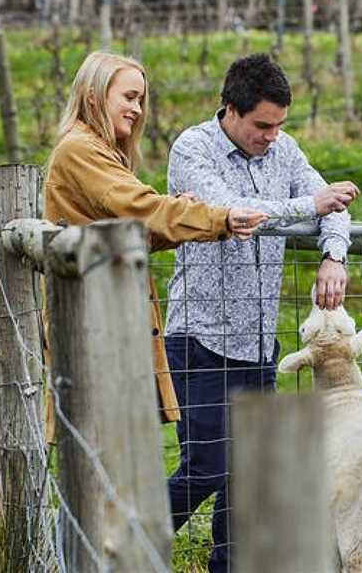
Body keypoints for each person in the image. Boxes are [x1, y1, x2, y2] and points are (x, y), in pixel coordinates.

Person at [164, 53, 360, 572]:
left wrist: (332, 257)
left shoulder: (285, 150)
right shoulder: (193, 149)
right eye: (262, 125)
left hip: (256, 341)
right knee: (207, 466)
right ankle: (118, 542)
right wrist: (308, 206)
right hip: (199, 336)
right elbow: (234, 213)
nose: (272, 135)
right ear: (230, 110)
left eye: (279, 125)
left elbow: (334, 206)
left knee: (249, 476)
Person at [43, 51, 268, 442]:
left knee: (112, 453)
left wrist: (192, 219)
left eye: (140, 99)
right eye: (128, 97)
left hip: (104, 317)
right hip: (93, 319)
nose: (137, 108)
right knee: (104, 454)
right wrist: (218, 217)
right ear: (94, 95)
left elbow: (132, 230)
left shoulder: (98, 151)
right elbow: (141, 208)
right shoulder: (81, 150)